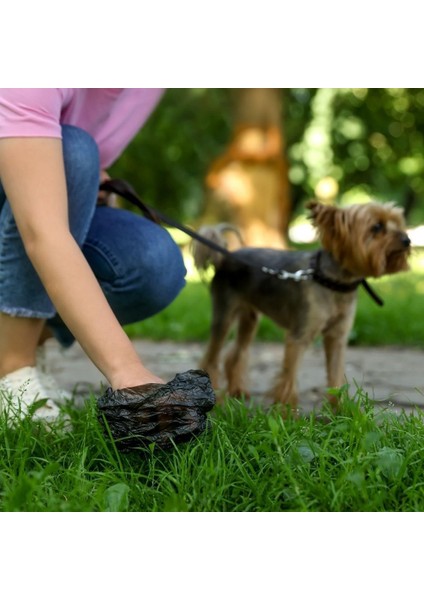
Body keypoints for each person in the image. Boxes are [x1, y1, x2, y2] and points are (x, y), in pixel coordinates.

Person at [0, 88, 187, 422]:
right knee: (74, 153)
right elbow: (42, 232)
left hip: (34, 195)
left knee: (152, 263)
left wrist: (87, 183)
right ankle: (11, 369)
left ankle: (24, 341)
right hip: (32, 216)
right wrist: (127, 371)